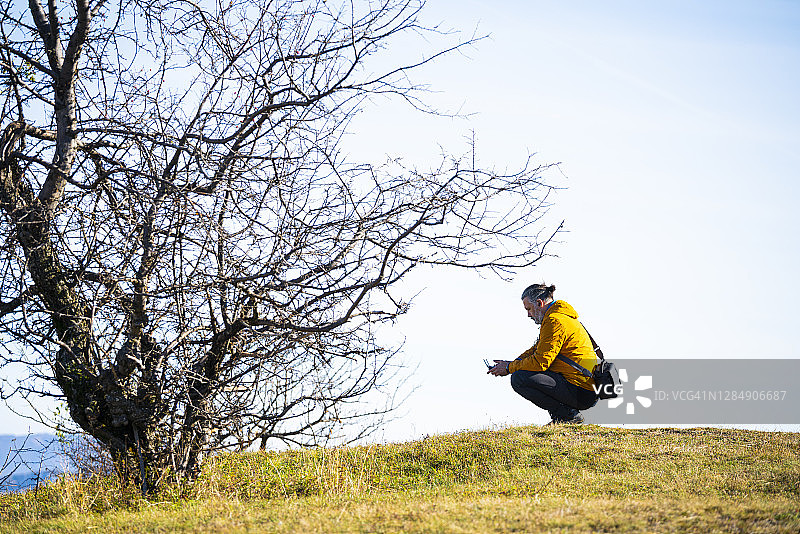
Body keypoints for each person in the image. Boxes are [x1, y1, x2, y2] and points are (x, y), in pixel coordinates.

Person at [488, 283, 598, 424]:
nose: (528, 314)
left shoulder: (554, 321)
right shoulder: (562, 316)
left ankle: (567, 417)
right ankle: (564, 416)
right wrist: (511, 363)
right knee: (521, 372)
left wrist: (510, 368)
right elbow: (536, 349)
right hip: (583, 387)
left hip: (580, 391)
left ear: (539, 303)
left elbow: (541, 362)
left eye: (529, 309)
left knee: (519, 378)